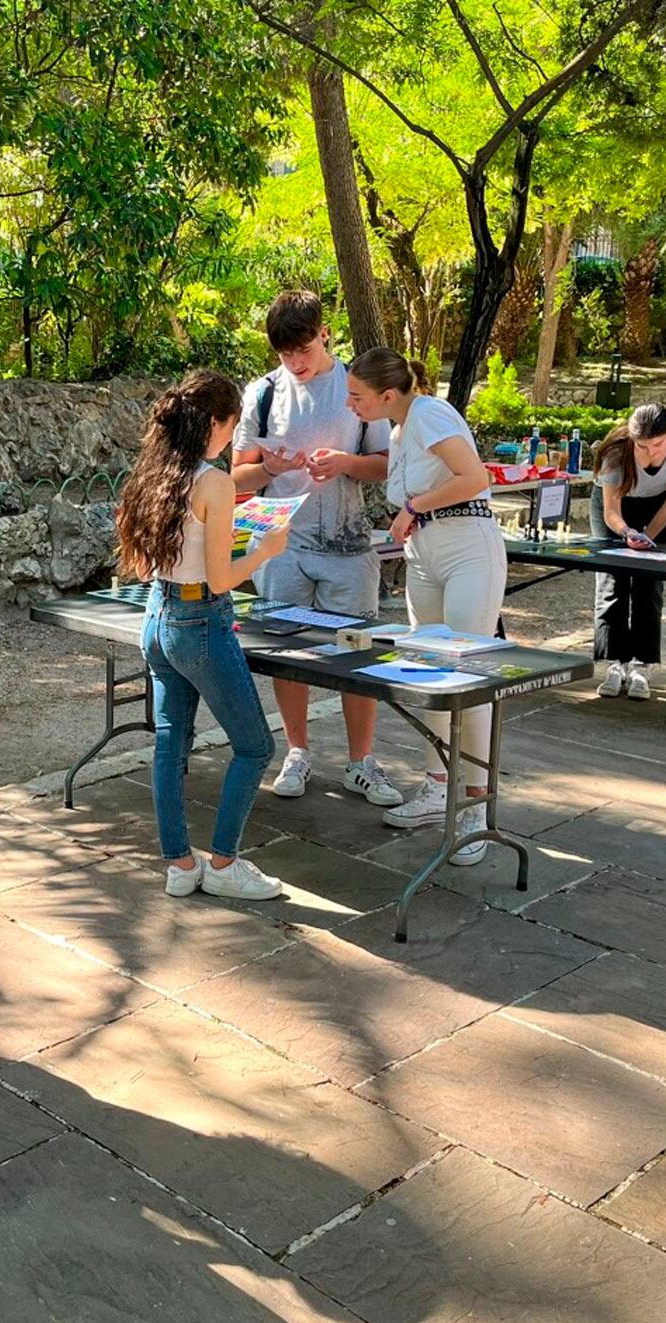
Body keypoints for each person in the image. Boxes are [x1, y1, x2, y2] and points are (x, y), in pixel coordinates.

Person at [117, 371, 289, 900]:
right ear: (215, 423)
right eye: (233, 427)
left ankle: (179, 864)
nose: (233, 439)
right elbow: (220, 579)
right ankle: (222, 863)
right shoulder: (213, 481)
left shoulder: (152, 474)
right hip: (200, 620)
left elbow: (145, 567)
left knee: (171, 744)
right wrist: (264, 550)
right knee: (255, 747)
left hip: (158, 615)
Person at [230, 290, 402, 811]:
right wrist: (271, 469)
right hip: (281, 543)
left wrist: (346, 464)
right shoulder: (262, 393)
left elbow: (387, 464)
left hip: (348, 545)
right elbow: (237, 475)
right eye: (286, 355)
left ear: (324, 333)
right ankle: (297, 751)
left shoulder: (357, 388)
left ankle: (361, 762)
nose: (296, 363)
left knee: (358, 655)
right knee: (286, 655)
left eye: (303, 350)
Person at [347, 347, 504, 861]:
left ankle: (476, 806)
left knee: (468, 674)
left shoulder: (430, 413)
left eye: (357, 396)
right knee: (430, 669)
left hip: (466, 547)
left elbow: (473, 478)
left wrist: (414, 506)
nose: (351, 404)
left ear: (387, 394)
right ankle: (439, 783)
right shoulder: (397, 428)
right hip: (425, 552)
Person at [590, 404, 666, 699]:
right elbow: (611, 512)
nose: (651, 452)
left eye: (658, 444)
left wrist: (646, 540)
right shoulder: (616, 450)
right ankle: (615, 663)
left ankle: (643, 664)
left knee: (648, 581)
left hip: (659, 505)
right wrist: (628, 533)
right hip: (618, 509)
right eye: (642, 446)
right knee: (612, 579)